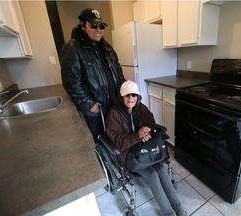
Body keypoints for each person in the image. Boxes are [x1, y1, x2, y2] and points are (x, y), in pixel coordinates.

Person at [105, 80, 187, 216]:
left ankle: (179, 209)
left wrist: (146, 132)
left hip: (145, 151)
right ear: (122, 97)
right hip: (128, 155)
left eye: (134, 95)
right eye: (127, 95)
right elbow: (117, 141)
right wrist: (137, 136)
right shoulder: (114, 114)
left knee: (161, 168)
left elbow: (151, 122)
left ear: (138, 96)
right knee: (152, 174)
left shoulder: (141, 108)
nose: (131, 98)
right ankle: (169, 213)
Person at [60, 8, 125, 140]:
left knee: (116, 137)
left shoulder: (107, 47)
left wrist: (125, 91)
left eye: (101, 26)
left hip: (114, 104)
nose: (98, 29)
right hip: (96, 109)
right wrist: (89, 103)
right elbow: (71, 83)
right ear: (83, 25)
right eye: (93, 25)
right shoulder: (73, 48)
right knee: (100, 140)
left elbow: (118, 71)